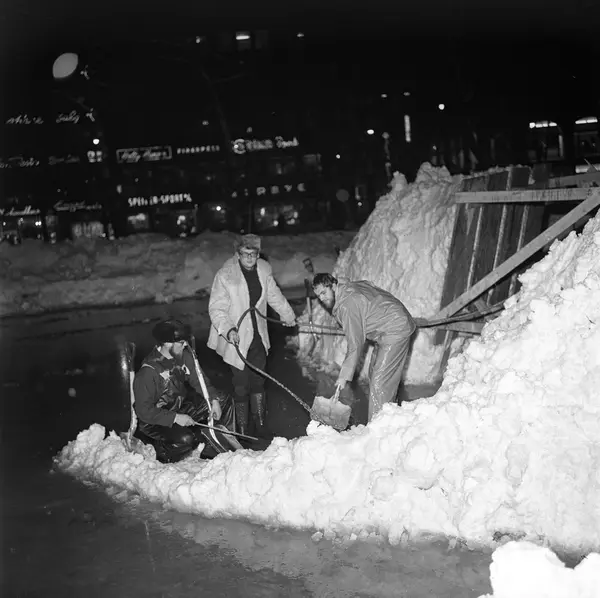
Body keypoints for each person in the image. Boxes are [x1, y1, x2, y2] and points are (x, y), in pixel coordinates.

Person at [208, 234, 296, 438]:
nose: (249, 257)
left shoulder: (264, 270)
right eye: (245, 253)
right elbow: (217, 308)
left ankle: (260, 423)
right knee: (241, 384)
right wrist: (228, 329)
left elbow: (274, 295)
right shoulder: (225, 275)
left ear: (258, 254)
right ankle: (242, 427)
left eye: (253, 253)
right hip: (235, 337)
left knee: (258, 380)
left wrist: (288, 315)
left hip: (258, 335)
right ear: (238, 254)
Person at [312, 273, 416, 421]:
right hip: (386, 328)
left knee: (380, 383)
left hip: (395, 329)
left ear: (334, 286)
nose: (322, 299)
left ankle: (379, 427)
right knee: (375, 373)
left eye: (324, 293)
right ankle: (390, 414)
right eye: (318, 296)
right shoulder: (347, 288)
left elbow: (355, 343)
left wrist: (343, 376)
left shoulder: (347, 305)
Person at [133, 318, 237, 463]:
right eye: (181, 343)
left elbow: (199, 380)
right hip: (154, 420)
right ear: (167, 343)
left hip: (178, 407)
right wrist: (175, 418)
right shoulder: (148, 372)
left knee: (222, 399)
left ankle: (218, 446)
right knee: (185, 439)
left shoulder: (183, 356)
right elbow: (144, 411)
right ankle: (163, 450)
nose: (186, 345)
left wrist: (213, 399)